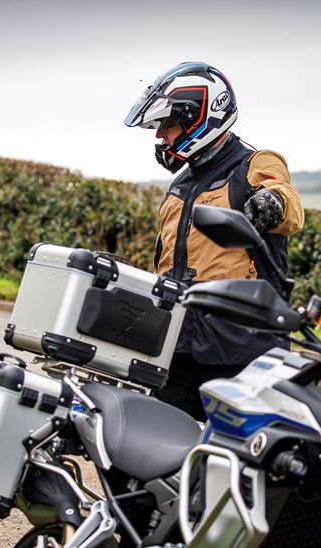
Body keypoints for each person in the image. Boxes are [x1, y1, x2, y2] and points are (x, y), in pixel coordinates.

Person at [125, 62, 304, 420]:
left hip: (241, 350)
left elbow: (288, 203)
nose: (162, 137)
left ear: (199, 117)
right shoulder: (181, 185)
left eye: (168, 125)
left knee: (235, 459)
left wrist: (272, 201)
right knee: (163, 447)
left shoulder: (253, 164)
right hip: (178, 347)